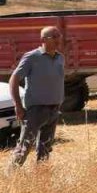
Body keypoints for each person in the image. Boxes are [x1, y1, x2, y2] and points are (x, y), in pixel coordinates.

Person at [8, 26, 66, 168]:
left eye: (59, 36)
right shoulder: (32, 57)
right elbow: (14, 80)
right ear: (43, 40)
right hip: (35, 111)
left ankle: (41, 181)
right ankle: (11, 177)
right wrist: (18, 106)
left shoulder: (60, 58)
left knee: (45, 149)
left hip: (54, 110)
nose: (59, 39)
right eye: (55, 36)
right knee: (24, 147)